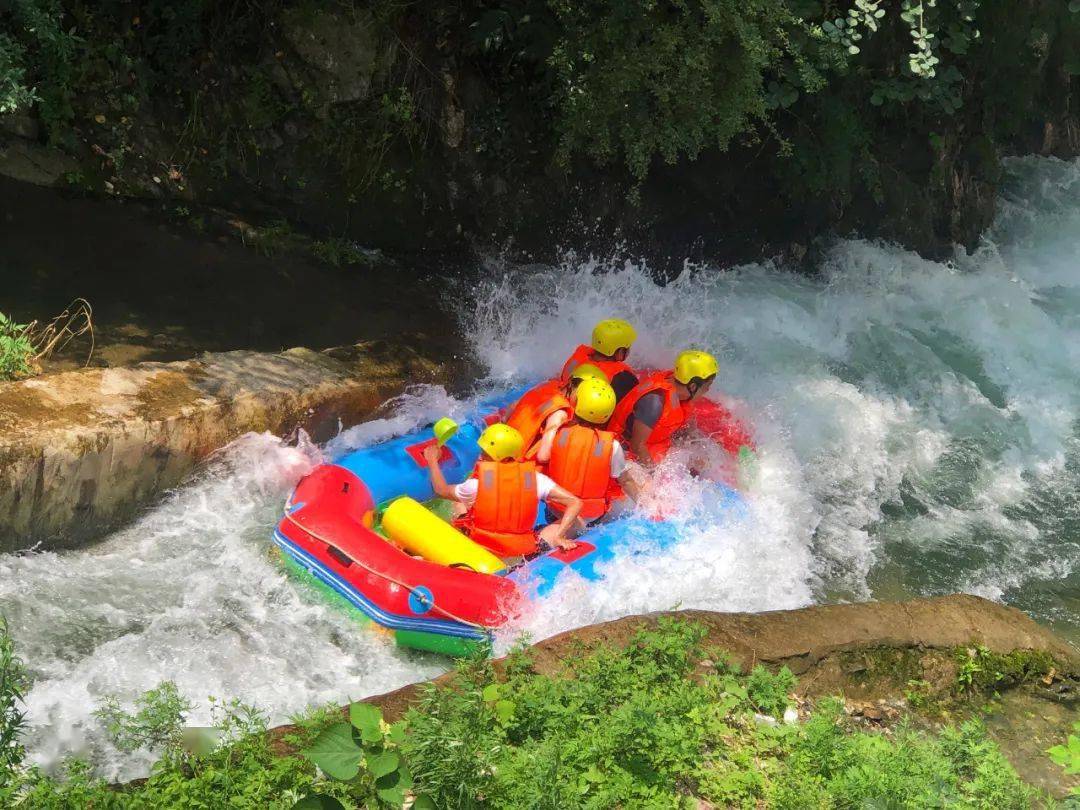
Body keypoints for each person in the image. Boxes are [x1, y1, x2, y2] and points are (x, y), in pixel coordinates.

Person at [422, 423, 583, 554]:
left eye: (484, 454)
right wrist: (560, 536)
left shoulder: (475, 486)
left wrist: (432, 461)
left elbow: (440, 489)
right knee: (578, 522)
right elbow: (575, 503)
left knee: (459, 504)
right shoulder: (535, 479)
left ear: (497, 456)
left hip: (484, 553)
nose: (480, 457)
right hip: (522, 553)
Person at [545, 377, 641, 525]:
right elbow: (626, 481)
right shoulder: (613, 446)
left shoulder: (558, 432)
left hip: (555, 510)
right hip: (590, 517)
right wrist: (645, 505)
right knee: (626, 486)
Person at [607, 349, 719, 465]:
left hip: (656, 444)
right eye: (707, 385)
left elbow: (682, 425)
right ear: (693, 386)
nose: (708, 390)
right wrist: (654, 474)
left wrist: (698, 445)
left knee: (700, 464)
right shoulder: (654, 403)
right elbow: (637, 446)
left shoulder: (680, 392)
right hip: (624, 450)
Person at [505, 363, 608, 463]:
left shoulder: (548, 385)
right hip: (519, 461)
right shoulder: (560, 413)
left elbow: (510, 409)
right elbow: (543, 456)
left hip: (504, 443)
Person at [560, 318, 639, 401]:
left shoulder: (580, 355)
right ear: (619, 352)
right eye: (627, 348)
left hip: (565, 395)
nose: (629, 351)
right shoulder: (623, 378)